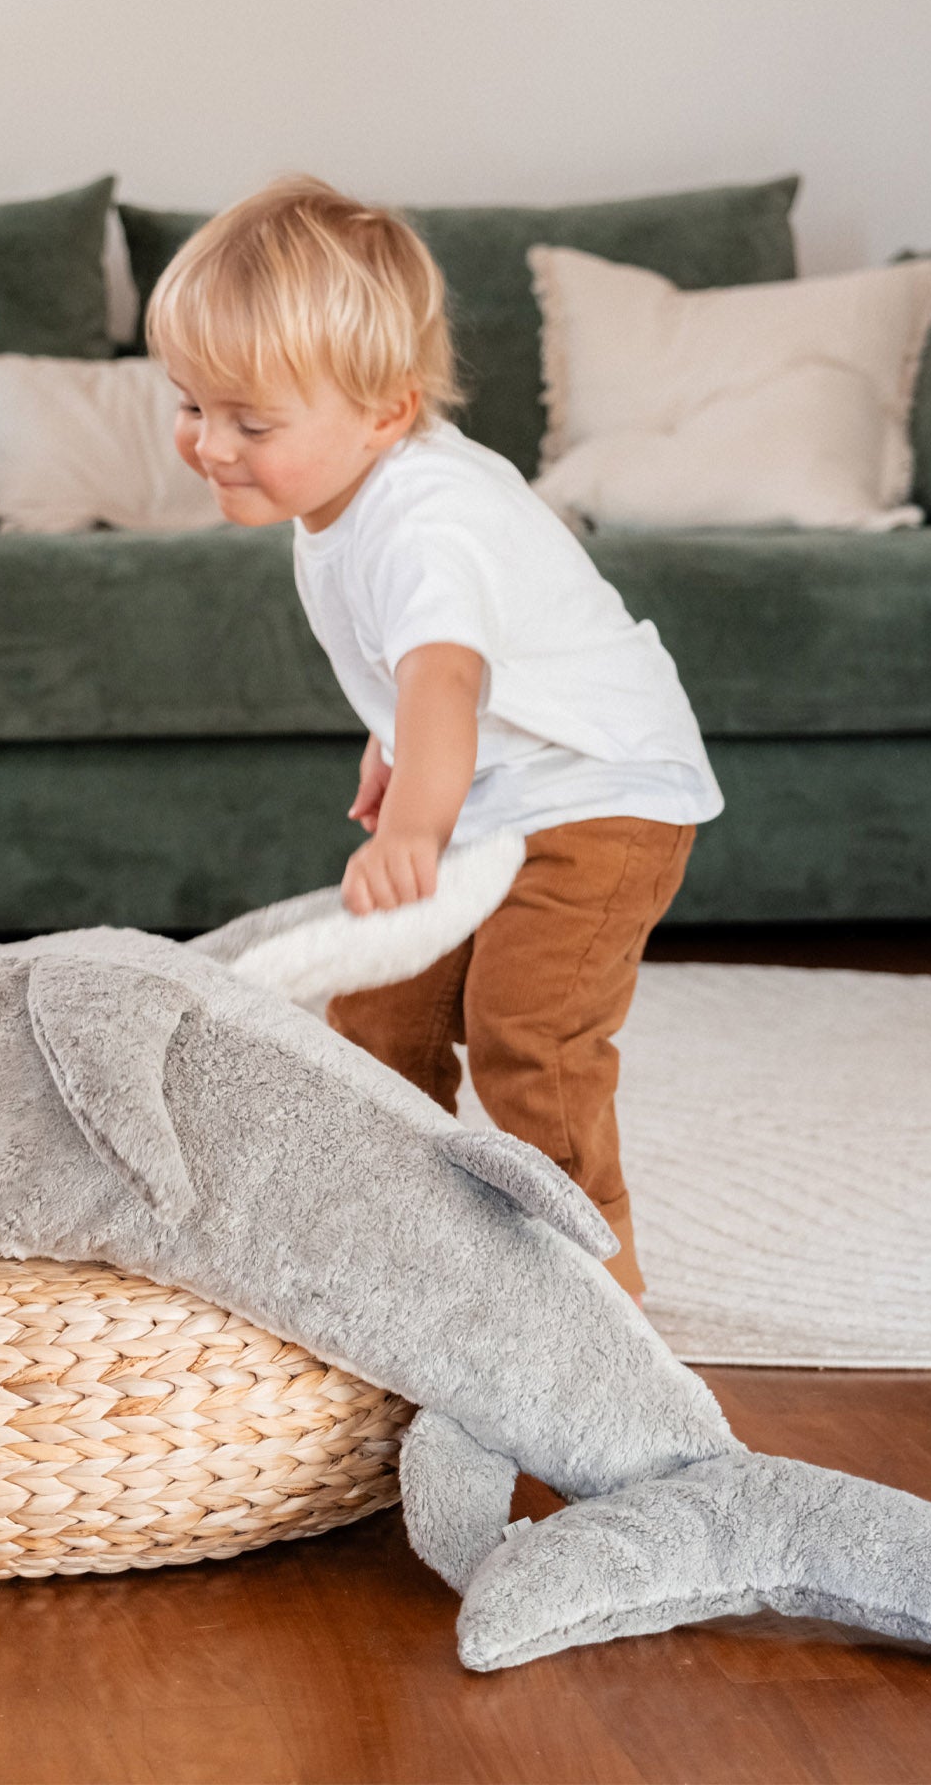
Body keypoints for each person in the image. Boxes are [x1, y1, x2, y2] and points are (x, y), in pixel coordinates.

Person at [144, 176, 722, 1297]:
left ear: (383, 412)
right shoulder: (339, 494)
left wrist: (414, 818)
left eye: (250, 421)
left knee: (529, 1032)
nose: (210, 445)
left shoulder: (426, 518)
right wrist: (393, 738)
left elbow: (446, 670)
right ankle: (404, 1240)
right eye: (191, 404)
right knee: (381, 1008)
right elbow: (417, 675)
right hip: (496, 782)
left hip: (601, 794)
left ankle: (590, 1293)